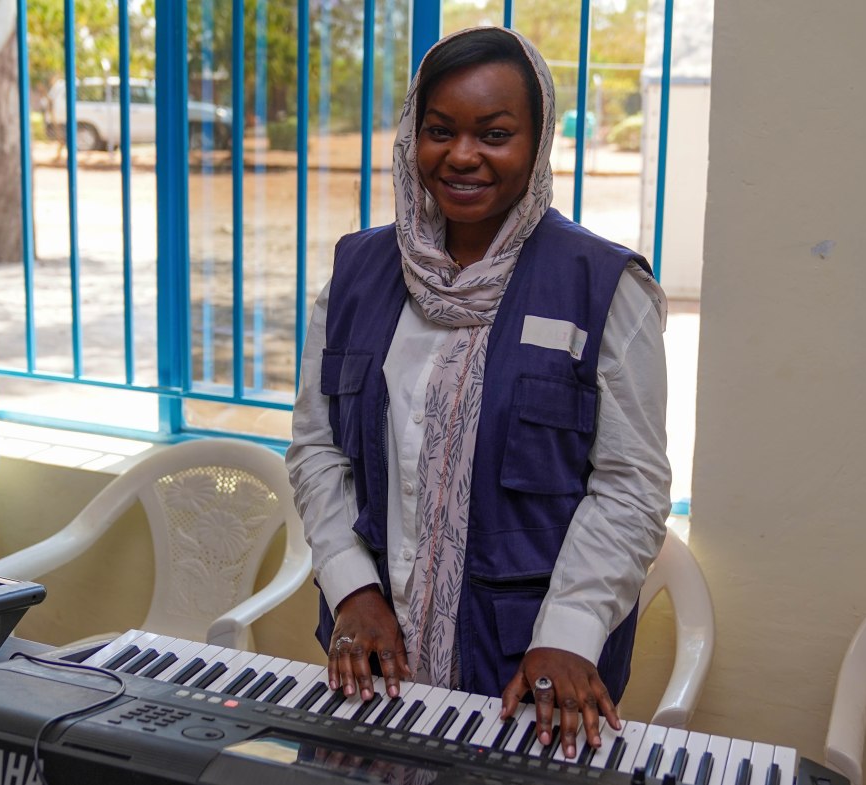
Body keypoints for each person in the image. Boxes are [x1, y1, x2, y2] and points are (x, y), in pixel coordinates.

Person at [285, 25, 671, 760]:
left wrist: (569, 633)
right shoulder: (357, 273)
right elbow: (315, 449)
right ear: (413, 136)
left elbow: (631, 485)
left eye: (494, 133)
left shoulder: (603, 286)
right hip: (375, 664)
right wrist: (350, 588)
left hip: (530, 683)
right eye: (440, 131)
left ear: (538, 139)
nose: (462, 156)